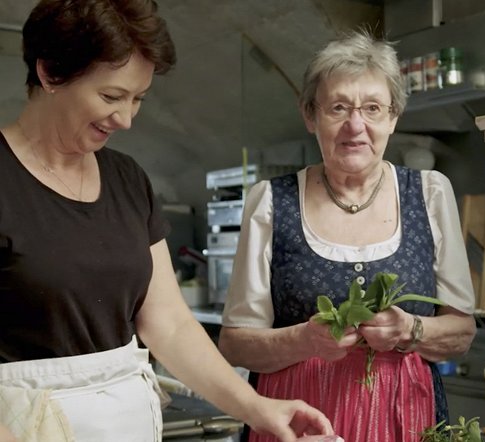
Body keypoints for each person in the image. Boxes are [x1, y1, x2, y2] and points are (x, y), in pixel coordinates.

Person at [0, 1, 335, 441]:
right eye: (111, 96)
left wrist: (255, 407)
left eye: (138, 98)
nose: (126, 119)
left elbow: (169, 324)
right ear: (49, 74)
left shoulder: (127, 179)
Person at [218, 28, 477, 442]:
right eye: (338, 107)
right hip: (297, 423)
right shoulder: (270, 201)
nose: (355, 126)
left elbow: (462, 334)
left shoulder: (429, 193)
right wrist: (305, 339)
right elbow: (235, 345)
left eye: (372, 108)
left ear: (393, 116)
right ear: (310, 115)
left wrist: (410, 330)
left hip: (404, 420)